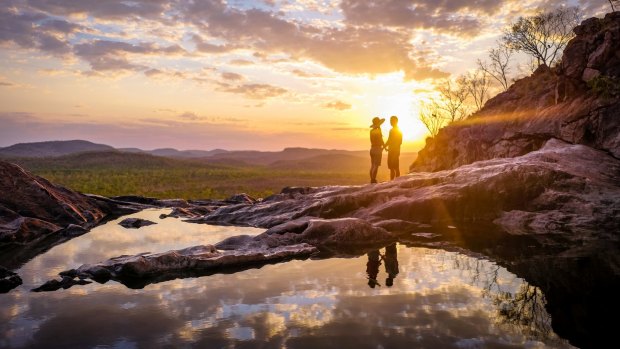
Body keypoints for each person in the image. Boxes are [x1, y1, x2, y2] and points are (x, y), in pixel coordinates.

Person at [384, 115, 402, 180]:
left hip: (395, 151)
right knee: (391, 167)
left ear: (395, 121)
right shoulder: (391, 130)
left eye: (391, 121)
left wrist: (394, 150)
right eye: (390, 121)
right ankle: (392, 181)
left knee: (396, 167)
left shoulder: (398, 131)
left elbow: (399, 142)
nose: (390, 122)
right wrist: (384, 146)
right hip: (391, 150)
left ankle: (397, 181)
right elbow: (389, 140)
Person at [369, 117, 385, 184]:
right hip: (377, 149)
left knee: (372, 165)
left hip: (372, 149)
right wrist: (384, 147)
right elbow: (381, 140)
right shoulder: (378, 130)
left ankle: (372, 179)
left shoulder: (371, 131)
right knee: (376, 165)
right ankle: (373, 179)